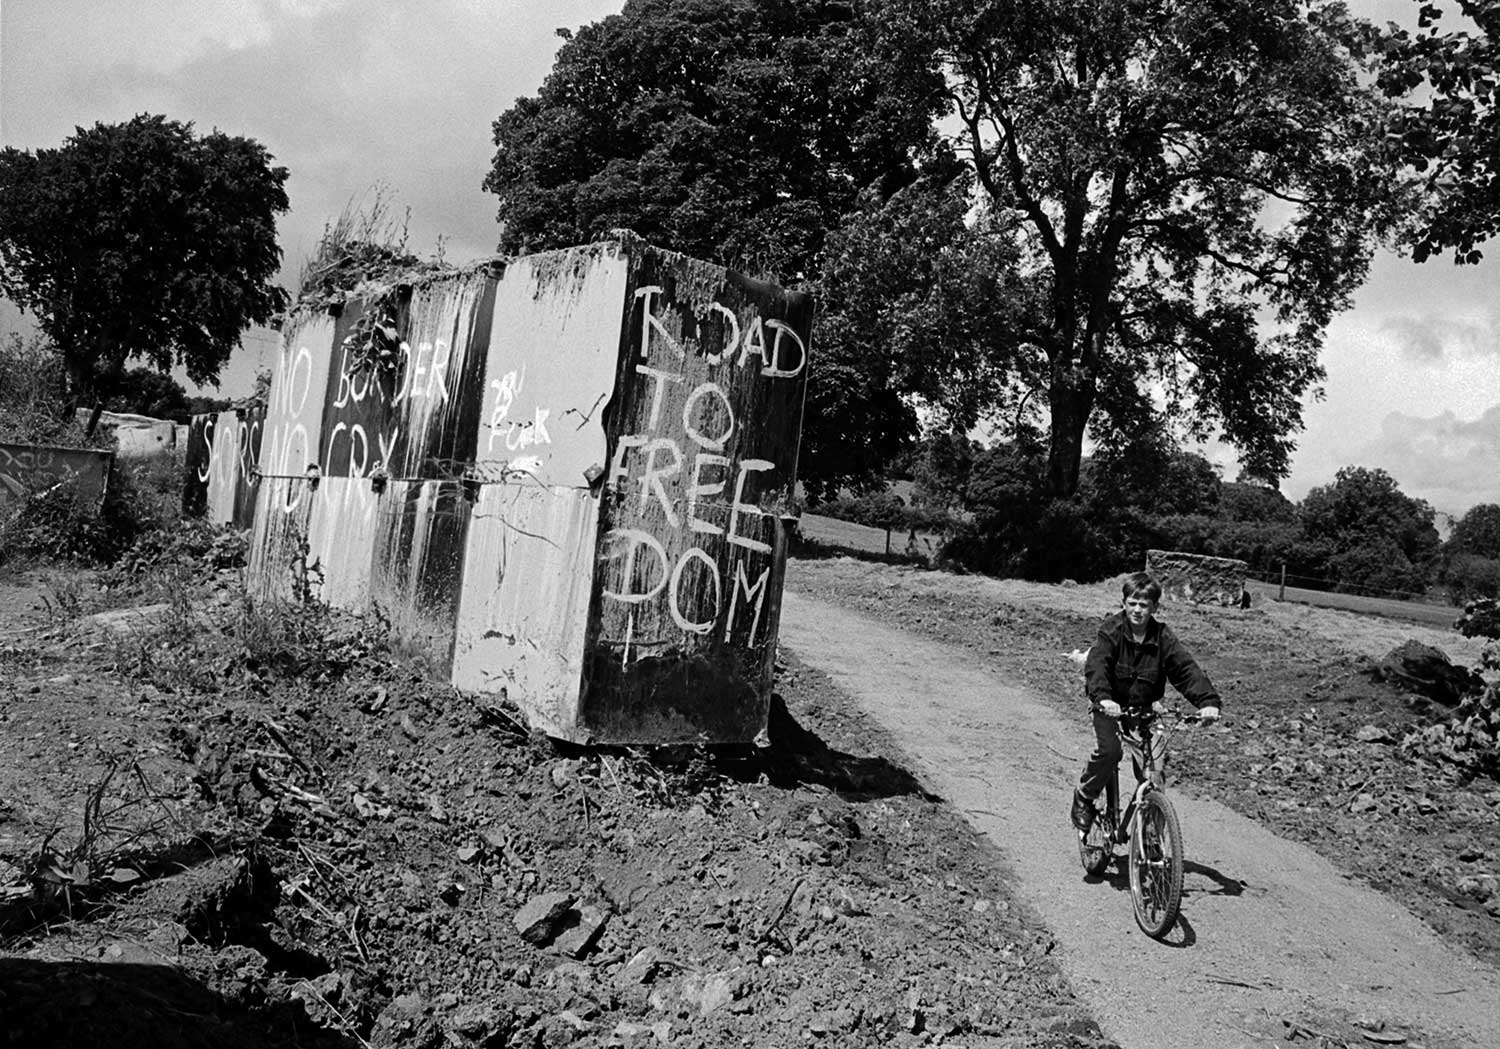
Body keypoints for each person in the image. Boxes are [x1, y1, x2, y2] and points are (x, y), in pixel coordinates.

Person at [1070, 572, 1221, 833]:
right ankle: (1085, 796)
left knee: (1154, 770)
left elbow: (1185, 670)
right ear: (1124, 603)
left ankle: (1152, 838)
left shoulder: (1163, 637)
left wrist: (1207, 702)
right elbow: (1097, 666)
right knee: (1111, 752)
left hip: (1145, 711)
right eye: (1132, 603)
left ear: (1155, 607)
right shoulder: (1111, 631)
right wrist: (1103, 698)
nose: (1137, 610)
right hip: (1108, 706)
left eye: (1144, 604)